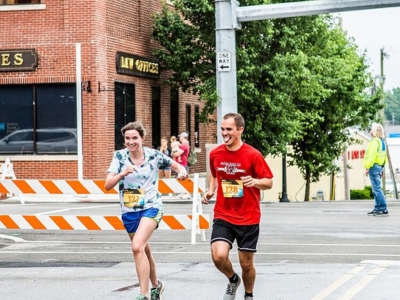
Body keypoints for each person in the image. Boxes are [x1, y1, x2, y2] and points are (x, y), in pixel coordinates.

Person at [105, 121, 188, 300]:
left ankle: (144, 294)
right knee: (143, 250)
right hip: (129, 210)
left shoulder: (154, 155)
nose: (131, 142)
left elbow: (177, 166)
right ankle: (157, 286)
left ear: (142, 138)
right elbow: (107, 185)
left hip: (151, 206)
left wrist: (181, 172)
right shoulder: (119, 157)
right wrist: (121, 174)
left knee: (137, 247)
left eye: (134, 138)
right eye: (127, 138)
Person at [202, 112, 273, 300]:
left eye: (229, 129)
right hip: (223, 215)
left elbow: (269, 182)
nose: (224, 133)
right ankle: (233, 280)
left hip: (248, 217)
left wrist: (255, 182)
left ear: (240, 129)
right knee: (218, 256)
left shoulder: (253, 154)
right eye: (222, 129)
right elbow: (215, 174)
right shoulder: (216, 153)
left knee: (246, 264)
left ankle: (248, 295)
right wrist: (211, 190)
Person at [363, 123, 388, 217]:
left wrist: (367, 167)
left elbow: (372, 156)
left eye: (371, 130)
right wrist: (382, 168)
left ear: (374, 132)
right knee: (376, 188)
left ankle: (382, 208)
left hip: (374, 166)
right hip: (379, 166)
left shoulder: (374, 142)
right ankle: (377, 208)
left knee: (376, 188)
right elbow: (384, 156)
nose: (370, 131)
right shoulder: (382, 142)